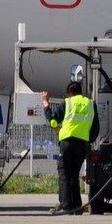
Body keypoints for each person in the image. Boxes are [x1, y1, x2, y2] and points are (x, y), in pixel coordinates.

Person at [41, 80, 96, 214]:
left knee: (64, 173)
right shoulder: (90, 104)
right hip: (82, 144)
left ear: (69, 93)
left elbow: (53, 120)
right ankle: (77, 207)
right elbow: (95, 127)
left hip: (67, 143)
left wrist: (45, 103)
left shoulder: (68, 103)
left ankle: (66, 207)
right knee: (74, 175)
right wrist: (88, 141)